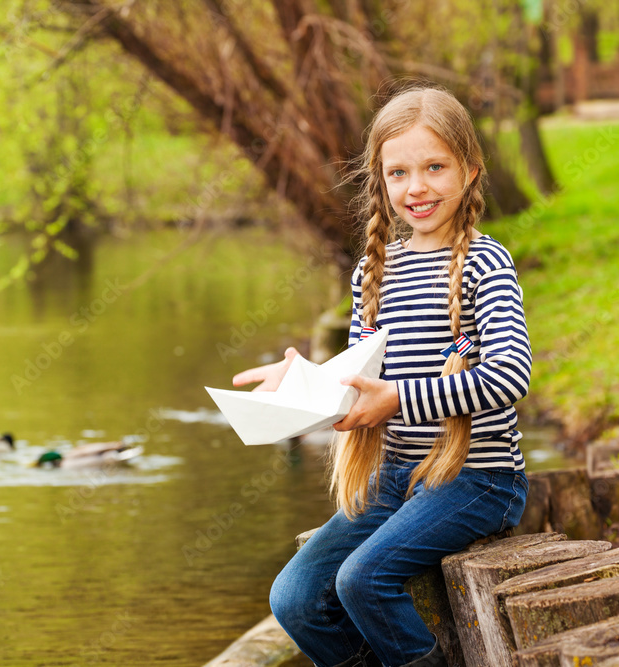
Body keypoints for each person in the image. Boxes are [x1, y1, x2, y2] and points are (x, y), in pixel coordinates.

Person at [231, 85, 531, 667]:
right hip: (394, 476)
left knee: (361, 580)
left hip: (479, 479)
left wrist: (396, 399)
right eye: (398, 173)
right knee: (292, 598)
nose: (416, 187)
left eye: (434, 167)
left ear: (471, 171)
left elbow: (509, 376)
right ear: (381, 182)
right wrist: (306, 383)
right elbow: (360, 381)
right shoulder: (374, 270)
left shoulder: (484, 262)